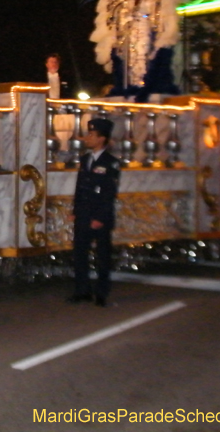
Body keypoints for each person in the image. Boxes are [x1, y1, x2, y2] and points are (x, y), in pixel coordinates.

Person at [69, 118, 121, 307]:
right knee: (80, 254)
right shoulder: (86, 160)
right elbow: (80, 187)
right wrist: (75, 211)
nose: (87, 138)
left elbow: (109, 193)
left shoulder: (111, 163)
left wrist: (100, 217)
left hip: (100, 217)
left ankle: (101, 293)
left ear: (101, 138)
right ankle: (82, 290)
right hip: (83, 214)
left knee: (102, 255)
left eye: (91, 134)